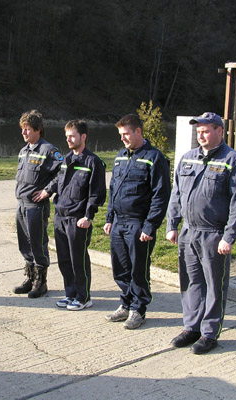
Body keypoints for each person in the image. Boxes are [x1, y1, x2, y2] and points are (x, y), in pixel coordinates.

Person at [166, 112, 236, 354]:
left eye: (205, 130)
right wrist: (172, 225)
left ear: (219, 131)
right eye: (199, 131)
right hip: (188, 232)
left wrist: (229, 236)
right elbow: (177, 194)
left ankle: (209, 333)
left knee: (214, 286)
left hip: (214, 234)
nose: (201, 135)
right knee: (190, 282)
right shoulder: (188, 159)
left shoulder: (232, 161)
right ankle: (191, 327)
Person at [103, 114, 171, 329]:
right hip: (119, 223)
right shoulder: (120, 157)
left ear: (138, 131)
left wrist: (150, 226)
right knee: (120, 269)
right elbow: (113, 189)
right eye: (120, 134)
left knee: (138, 270)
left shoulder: (154, 158)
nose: (122, 138)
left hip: (139, 223)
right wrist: (109, 218)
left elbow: (161, 195)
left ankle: (138, 309)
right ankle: (126, 304)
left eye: (126, 134)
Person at [33, 120, 106, 310]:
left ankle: (83, 297)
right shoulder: (66, 159)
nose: (69, 140)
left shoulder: (93, 162)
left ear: (83, 137)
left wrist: (88, 216)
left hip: (78, 219)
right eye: (67, 136)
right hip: (60, 217)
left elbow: (97, 193)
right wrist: (48, 190)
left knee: (77, 260)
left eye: (72, 136)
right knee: (64, 260)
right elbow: (59, 179)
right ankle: (70, 293)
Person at [12, 110, 63, 298]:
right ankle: (30, 277)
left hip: (36, 206)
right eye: (22, 129)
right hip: (21, 204)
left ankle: (41, 282)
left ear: (38, 129)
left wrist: (47, 190)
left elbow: (62, 172)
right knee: (24, 243)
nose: (23, 133)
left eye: (27, 129)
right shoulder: (24, 151)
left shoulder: (49, 150)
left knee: (37, 243)